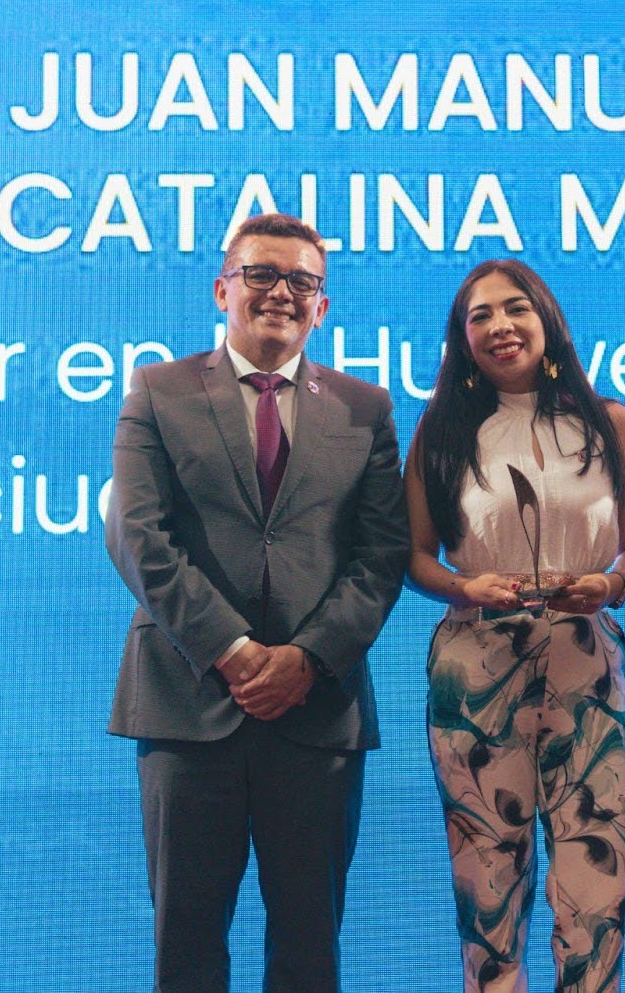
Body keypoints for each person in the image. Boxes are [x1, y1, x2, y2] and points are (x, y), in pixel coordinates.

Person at [105, 213, 410, 992]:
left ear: (322, 305)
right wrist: (234, 651)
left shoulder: (364, 408)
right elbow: (139, 536)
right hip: (188, 705)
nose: (281, 293)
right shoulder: (158, 390)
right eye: (262, 275)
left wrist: (307, 659)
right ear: (222, 289)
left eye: (302, 281)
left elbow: (381, 557)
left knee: (310, 949)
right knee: (187, 945)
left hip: (317, 713)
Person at [405, 259, 625, 993]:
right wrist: (464, 584)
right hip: (476, 668)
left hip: (586, 663)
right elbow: (414, 556)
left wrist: (608, 582)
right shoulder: (441, 428)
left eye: (515, 310)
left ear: (547, 322)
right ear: (462, 339)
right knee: (488, 885)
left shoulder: (610, 423)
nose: (500, 327)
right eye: (480, 316)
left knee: (596, 881)